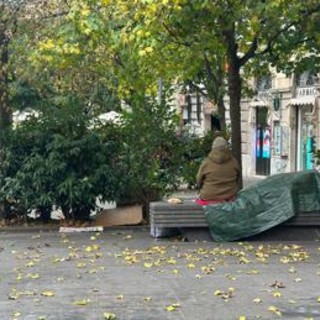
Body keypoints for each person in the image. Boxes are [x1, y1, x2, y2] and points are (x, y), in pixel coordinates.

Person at [196, 136, 240, 205]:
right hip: (229, 198)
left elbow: (199, 180)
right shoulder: (234, 162)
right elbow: (238, 177)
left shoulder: (206, 162)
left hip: (208, 196)